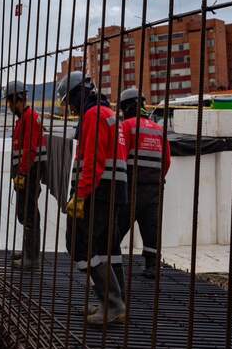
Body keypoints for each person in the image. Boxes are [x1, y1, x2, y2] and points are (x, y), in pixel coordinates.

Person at [56, 71, 128, 325]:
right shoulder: (108, 113)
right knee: (108, 248)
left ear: (78, 94)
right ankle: (112, 301)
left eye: (70, 102)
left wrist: (80, 196)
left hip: (98, 191)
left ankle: (112, 304)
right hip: (114, 190)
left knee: (84, 246)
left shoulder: (93, 115)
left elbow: (93, 161)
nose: (72, 109)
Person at [118, 87, 171, 279]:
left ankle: (113, 267)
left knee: (116, 228)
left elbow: (120, 157)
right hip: (155, 187)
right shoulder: (159, 129)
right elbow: (166, 161)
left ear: (127, 107)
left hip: (131, 187)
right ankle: (153, 266)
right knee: (151, 228)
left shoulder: (127, 126)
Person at [5, 80, 46, 269]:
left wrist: (21, 173)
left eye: (10, 102)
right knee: (24, 213)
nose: (9, 106)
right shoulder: (24, 118)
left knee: (29, 214)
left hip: (29, 172)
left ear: (17, 99)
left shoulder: (29, 118)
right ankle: (29, 251)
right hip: (26, 172)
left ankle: (32, 258)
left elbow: (30, 149)